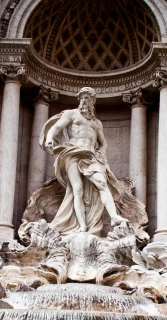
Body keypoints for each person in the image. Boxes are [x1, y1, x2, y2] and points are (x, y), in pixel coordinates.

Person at [41, 87, 128, 236]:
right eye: (82, 97)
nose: (84, 100)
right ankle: (82, 226)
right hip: (72, 153)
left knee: (102, 183)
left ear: (93, 101)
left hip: (90, 156)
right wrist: (49, 139)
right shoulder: (71, 114)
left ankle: (114, 216)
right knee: (77, 189)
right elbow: (56, 127)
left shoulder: (96, 123)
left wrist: (101, 152)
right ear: (79, 99)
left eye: (88, 98)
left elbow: (103, 143)